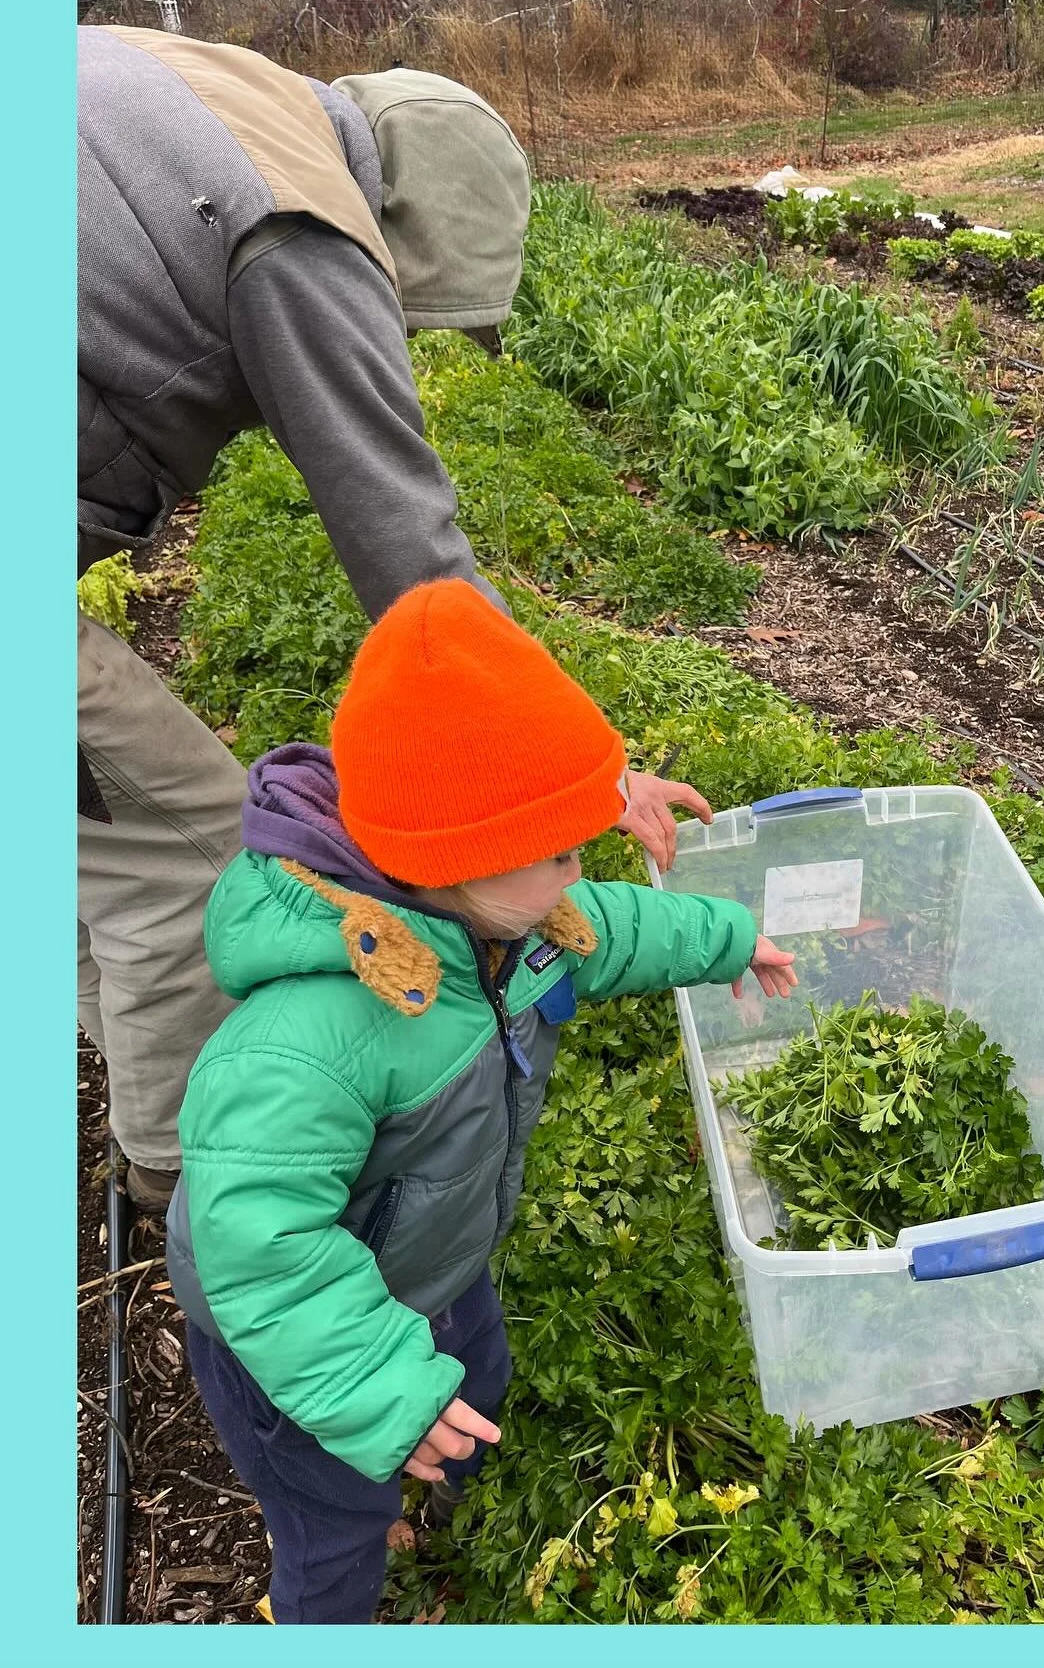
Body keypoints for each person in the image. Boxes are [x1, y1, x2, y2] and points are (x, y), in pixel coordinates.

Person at [78, 26, 708, 1211]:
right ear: (408, 234)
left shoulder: (225, 88)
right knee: (206, 857)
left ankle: (136, 1061)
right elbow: (413, 562)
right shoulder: (301, 231)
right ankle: (200, 1189)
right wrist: (590, 774)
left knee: (89, 824)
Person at [164, 579, 796, 1624]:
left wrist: (726, 938)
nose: (579, 869)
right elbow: (258, 1242)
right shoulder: (306, 1040)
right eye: (558, 851)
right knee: (335, 1531)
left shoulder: (513, 918)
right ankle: (346, 1574)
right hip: (292, 1336)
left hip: (433, 1258)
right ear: (449, 861)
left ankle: (441, 1478)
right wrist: (377, 1390)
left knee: (479, 1372)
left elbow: (611, 923)